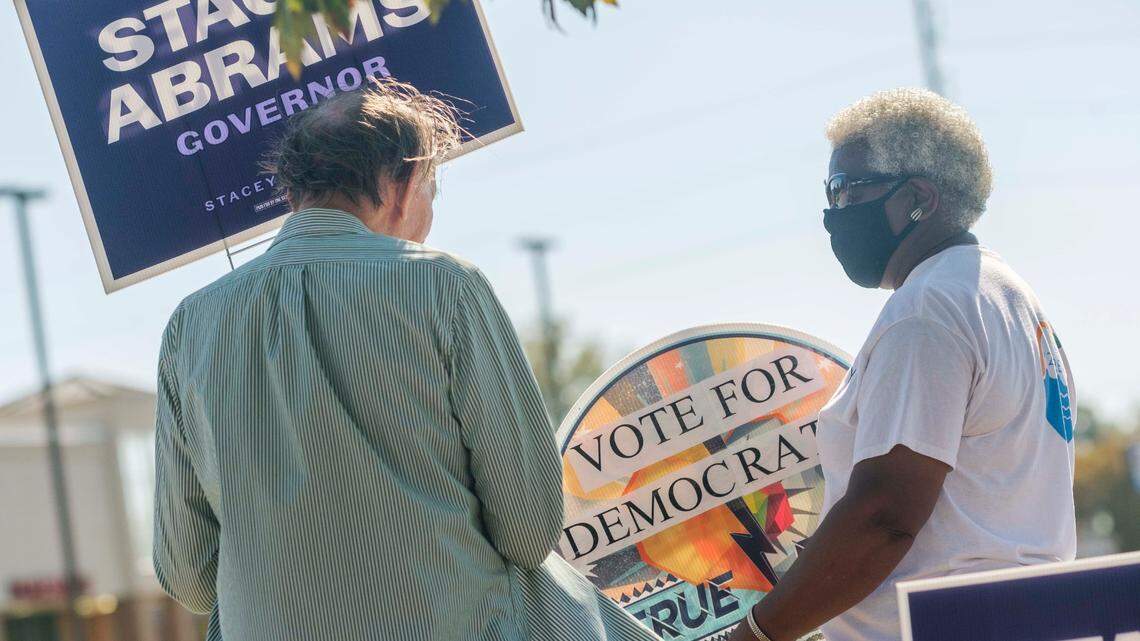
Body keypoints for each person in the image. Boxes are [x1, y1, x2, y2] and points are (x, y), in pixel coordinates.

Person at [152, 79, 657, 641]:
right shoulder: (445, 285)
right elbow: (528, 531)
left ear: (292, 197)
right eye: (431, 194)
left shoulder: (189, 327)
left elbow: (190, 580)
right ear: (405, 183)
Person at [730, 88, 1077, 641]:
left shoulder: (926, 311)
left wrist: (756, 634)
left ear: (919, 196)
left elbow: (883, 515)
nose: (830, 215)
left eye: (845, 191)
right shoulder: (1005, 296)